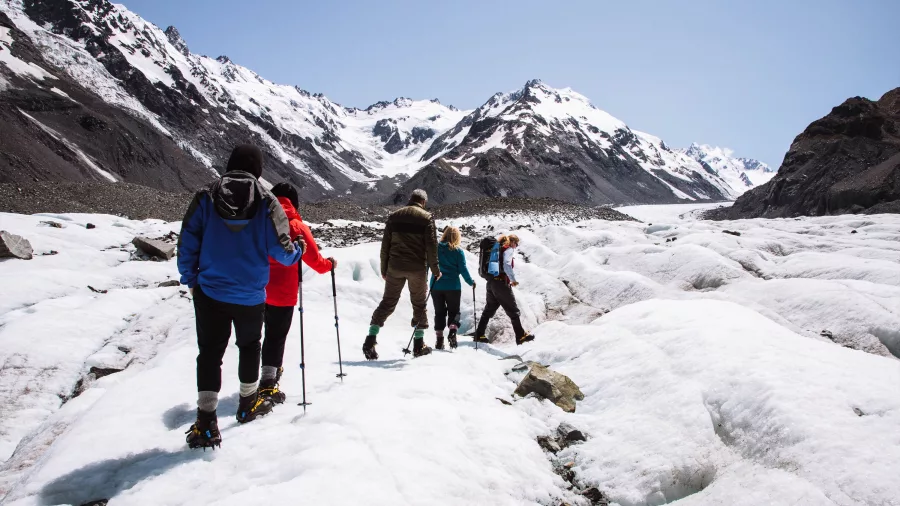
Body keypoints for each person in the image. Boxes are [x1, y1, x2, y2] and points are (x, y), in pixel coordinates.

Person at [178, 145, 304, 450]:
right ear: (258, 170)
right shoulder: (267, 201)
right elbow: (281, 251)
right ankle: (247, 404)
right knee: (249, 346)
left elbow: (187, 242)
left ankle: (206, 422)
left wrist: (191, 279)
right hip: (250, 293)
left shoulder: (205, 195)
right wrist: (297, 248)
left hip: (210, 291)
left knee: (209, 353)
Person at [259, 183, 335, 404]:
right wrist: (329, 265)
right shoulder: (296, 225)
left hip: (256, 287)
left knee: (260, 335)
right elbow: (315, 260)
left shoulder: (260, 221)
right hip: (283, 292)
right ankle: (268, 381)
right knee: (276, 335)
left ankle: (258, 378)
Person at [363, 189, 441, 360]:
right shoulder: (427, 218)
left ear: (410, 199)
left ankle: (370, 339)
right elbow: (431, 247)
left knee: (388, 302)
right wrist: (436, 270)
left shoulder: (394, 216)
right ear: (424, 202)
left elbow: (385, 247)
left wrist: (384, 269)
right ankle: (419, 345)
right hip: (417, 269)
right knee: (419, 305)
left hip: (394, 267)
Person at [474, 234, 535, 345]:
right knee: (513, 310)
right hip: (501, 284)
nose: (515, 247)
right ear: (512, 242)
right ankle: (520, 335)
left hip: (491, 283)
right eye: (516, 244)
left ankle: (479, 334)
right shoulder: (508, 249)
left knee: (488, 310)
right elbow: (507, 264)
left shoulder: (497, 249)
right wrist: (512, 279)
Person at [430, 226, 475, 350]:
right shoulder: (458, 251)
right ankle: (452, 332)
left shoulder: (436, 249)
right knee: (454, 312)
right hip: (453, 286)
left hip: (436, 286)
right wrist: (471, 282)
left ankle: (439, 341)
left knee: (439, 313)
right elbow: (463, 269)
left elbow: (430, 264)